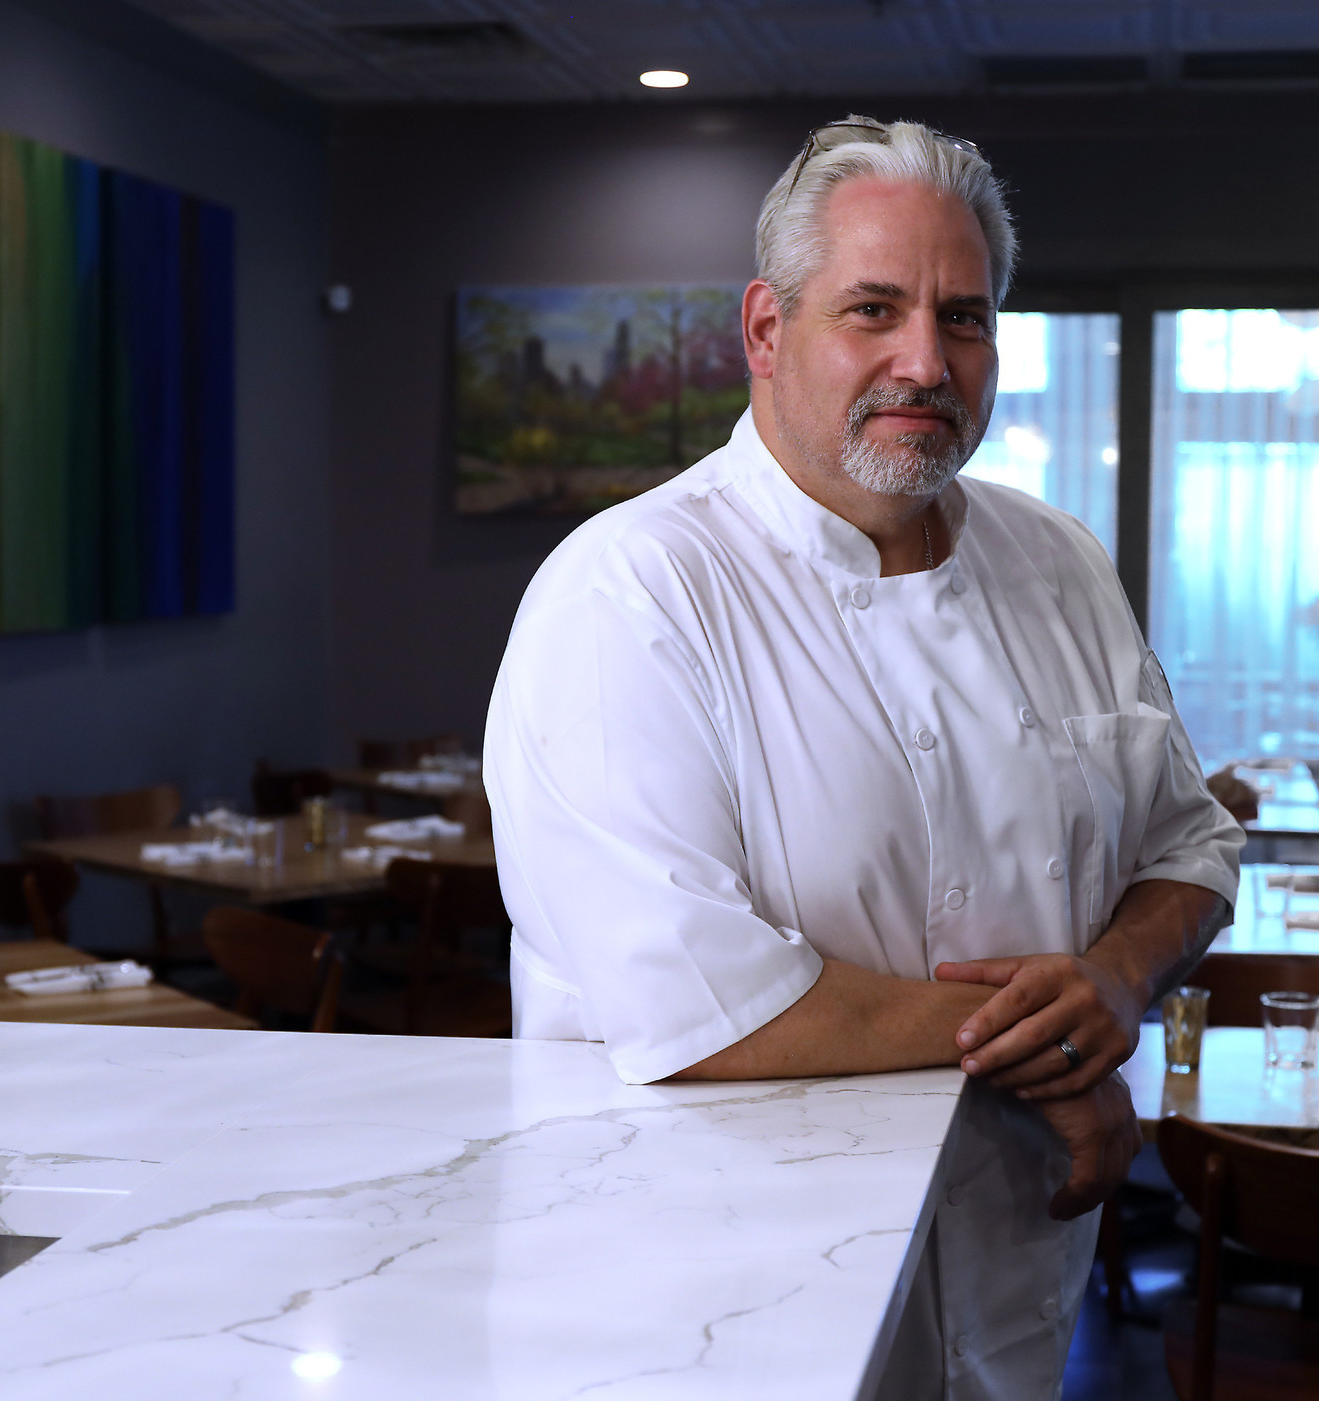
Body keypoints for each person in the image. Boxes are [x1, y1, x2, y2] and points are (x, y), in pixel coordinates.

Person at [486, 116, 1243, 1400]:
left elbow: (1189, 844)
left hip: (1014, 1271)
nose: (923, 361)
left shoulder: (1054, 562)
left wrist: (1117, 978)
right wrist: (1049, 1060)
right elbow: (697, 1004)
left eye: (962, 317)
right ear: (767, 332)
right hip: (711, 1298)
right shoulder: (631, 593)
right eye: (872, 310)